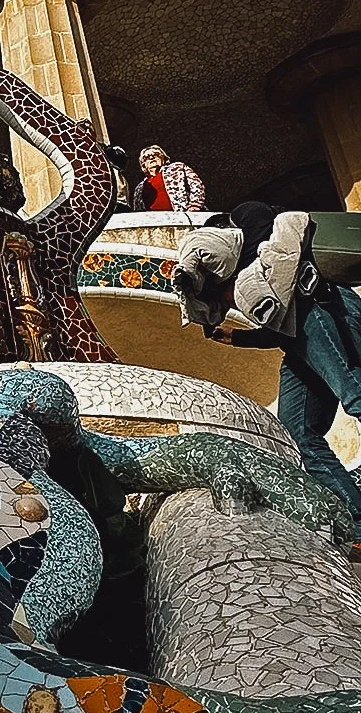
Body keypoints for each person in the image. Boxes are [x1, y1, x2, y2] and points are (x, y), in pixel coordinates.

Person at [170, 200, 361, 522]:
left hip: (319, 308)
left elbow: (265, 227)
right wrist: (239, 337)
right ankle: (356, 520)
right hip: (298, 338)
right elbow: (279, 330)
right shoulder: (259, 287)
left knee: (354, 393)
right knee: (299, 434)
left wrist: (240, 268)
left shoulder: (250, 224)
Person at [132, 146, 206, 212]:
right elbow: (138, 209)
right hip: (153, 222)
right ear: (144, 165)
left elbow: (196, 184)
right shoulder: (140, 187)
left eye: (156, 155)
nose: (151, 158)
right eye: (147, 158)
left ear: (163, 159)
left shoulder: (177, 168)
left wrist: (195, 205)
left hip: (180, 217)